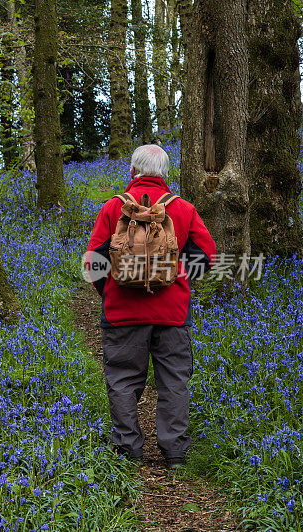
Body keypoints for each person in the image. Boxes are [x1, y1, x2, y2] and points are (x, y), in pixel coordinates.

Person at [85, 144, 216, 468]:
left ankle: (129, 451)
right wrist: (179, 280)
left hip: (122, 312)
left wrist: (111, 291)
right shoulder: (182, 208)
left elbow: (93, 263)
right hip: (172, 313)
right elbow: (208, 255)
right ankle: (175, 454)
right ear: (165, 174)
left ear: (132, 171)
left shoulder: (114, 208)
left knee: (123, 379)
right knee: (173, 381)